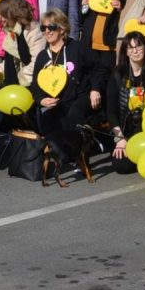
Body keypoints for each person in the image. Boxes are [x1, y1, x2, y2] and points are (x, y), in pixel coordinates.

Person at [31, 9, 103, 183]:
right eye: (43, 28)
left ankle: (80, 157)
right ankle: (60, 158)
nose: (47, 31)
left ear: (62, 28)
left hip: (80, 96)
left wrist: (95, 89)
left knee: (74, 114)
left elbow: (98, 68)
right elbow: (35, 85)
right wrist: (41, 99)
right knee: (47, 120)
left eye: (51, 27)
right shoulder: (43, 56)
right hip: (57, 101)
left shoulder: (77, 48)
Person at [106, 31, 145, 174]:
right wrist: (119, 139)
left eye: (139, 46)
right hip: (127, 131)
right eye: (131, 48)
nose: (135, 51)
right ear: (126, 52)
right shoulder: (118, 74)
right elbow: (111, 111)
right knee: (122, 166)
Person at [0, 0, 46, 89]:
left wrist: (21, 79)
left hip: (35, 83)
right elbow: (11, 62)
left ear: (13, 14)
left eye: (4, 15)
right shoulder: (14, 31)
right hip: (21, 82)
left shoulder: (33, 31)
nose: (1, 19)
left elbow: (38, 62)